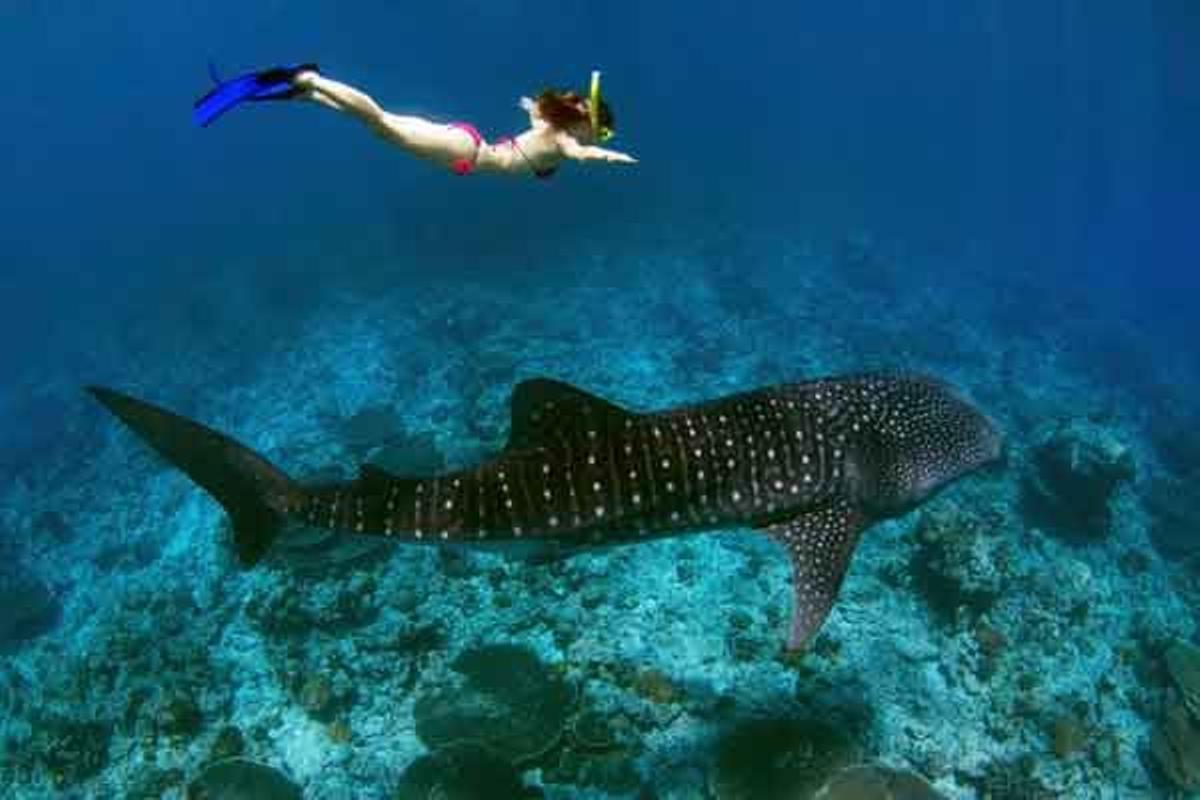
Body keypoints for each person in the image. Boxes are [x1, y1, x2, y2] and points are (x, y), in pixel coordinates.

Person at [194, 64, 637, 178]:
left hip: (466, 148)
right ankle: (311, 78)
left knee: (376, 125)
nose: (590, 137)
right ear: (584, 122)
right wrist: (611, 156)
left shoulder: (549, 125)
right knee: (382, 122)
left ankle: (307, 94)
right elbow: (581, 155)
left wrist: (546, 110)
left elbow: (540, 113)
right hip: (468, 152)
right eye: (595, 128)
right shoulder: (563, 140)